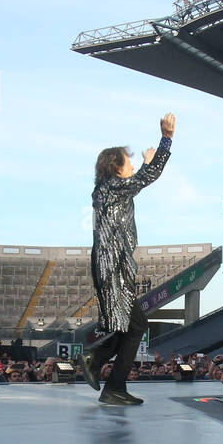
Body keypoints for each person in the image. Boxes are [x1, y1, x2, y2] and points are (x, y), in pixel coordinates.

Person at [81, 113, 175, 405]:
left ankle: (102, 370)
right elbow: (147, 176)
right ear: (116, 168)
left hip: (113, 267)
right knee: (134, 326)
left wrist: (145, 165)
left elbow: (140, 178)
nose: (132, 165)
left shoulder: (110, 190)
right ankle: (101, 370)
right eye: (128, 162)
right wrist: (166, 139)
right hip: (113, 269)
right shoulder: (112, 187)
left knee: (131, 326)